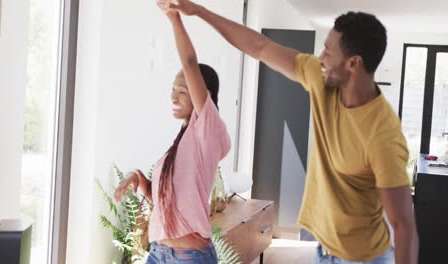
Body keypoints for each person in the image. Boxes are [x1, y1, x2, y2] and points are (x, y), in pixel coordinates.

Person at [159, 1, 419, 263]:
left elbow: (403, 224)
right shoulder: (321, 79)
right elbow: (260, 47)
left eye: (328, 51)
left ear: (353, 63)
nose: (320, 58)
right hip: (323, 249)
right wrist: (199, 11)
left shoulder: (382, 133)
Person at [113, 2, 231, 263]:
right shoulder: (182, 142)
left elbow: (189, 63)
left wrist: (174, 18)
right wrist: (139, 180)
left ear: (205, 96)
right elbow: (163, 202)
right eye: (173, 89)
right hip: (158, 253)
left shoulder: (209, 129)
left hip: (189, 256)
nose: (173, 95)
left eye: (182, 90)